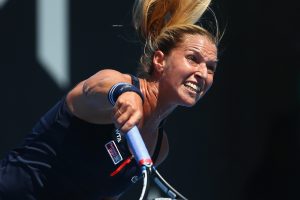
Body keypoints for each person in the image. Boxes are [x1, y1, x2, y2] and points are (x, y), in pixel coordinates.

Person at [0, 0, 219, 199]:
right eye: (193, 59)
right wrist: (125, 93)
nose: (202, 73)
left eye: (211, 67)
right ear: (160, 60)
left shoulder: (159, 149)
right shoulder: (115, 85)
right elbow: (95, 86)